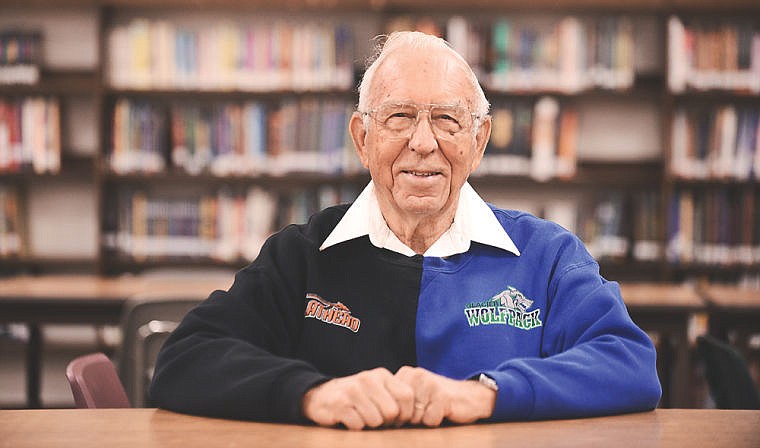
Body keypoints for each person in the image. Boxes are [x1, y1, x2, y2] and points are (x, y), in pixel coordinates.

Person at [150, 31, 662, 430]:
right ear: (362, 137)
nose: (423, 142)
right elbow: (186, 360)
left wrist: (486, 394)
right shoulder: (302, 255)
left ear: (479, 140)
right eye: (399, 117)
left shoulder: (546, 255)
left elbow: (629, 364)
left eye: (447, 120)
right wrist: (310, 393)